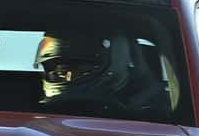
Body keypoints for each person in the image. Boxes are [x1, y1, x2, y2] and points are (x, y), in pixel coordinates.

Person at [33, 30, 171, 119]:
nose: (67, 77)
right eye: (58, 71)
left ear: (116, 61)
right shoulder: (25, 115)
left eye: (79, 70)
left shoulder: (157, 118)